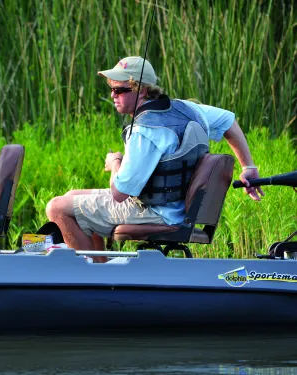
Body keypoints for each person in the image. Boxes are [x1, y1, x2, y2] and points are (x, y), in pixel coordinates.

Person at [46, 56, 264, 254]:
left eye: (120, 90)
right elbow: (229, 122)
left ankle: (90, 278)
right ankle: (102, 270)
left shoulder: (145, 130)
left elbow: (119, 193)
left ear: (141, 90)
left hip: (155, 211)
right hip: (171, 207)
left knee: (56, 207)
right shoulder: (187, 108)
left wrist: (115, 162)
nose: (113, 95)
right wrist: (248, 167)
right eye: (111, 88)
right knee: (72, 195)